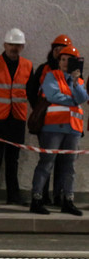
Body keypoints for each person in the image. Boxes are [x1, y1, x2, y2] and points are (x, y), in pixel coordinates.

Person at [29, 45, 86, 216]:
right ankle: (37, 199)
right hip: (53, 127)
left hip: (73, 129)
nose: (65, 62)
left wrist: (75, 84)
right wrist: (73, 100)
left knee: (70, 166)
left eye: (69, 60)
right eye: (62, 59)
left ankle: (68, 200)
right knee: (46, 163)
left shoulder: (79, 80)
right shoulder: (51, 76)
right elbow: (53, 96)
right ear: (58, 61)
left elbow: (84, 97)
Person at [0, 28, 32, 206]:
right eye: (11, 44)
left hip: (17, 119)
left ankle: (13, 196)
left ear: (23, 47)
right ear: (4, 45)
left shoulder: (27, 66)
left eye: (18, 45)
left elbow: (31, 93)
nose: (14, 48)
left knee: (13, 160)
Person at [26, 34, 72, 207]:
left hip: (67, 124)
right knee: (47, 161)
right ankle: (42, 196)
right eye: (56, 49)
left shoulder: (74, 73)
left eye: (63, 50)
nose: (59, 52)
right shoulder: (44, 69)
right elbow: (31, 90)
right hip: (47, 123)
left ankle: (60, 196)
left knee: (64, 162)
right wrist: (39, 108)